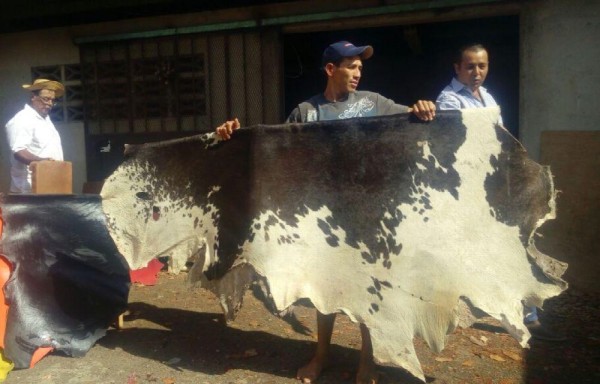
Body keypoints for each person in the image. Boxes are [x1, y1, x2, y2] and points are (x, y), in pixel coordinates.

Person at [217, 40, 436, 384]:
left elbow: (413, 117)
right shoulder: (307, 112)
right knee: (323, 290)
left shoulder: (374, 103)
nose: (358, 72)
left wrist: (422, 108)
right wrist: (235, 138)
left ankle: (367, 364)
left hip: (368, 215)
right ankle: (321, 356)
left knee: (368, 289)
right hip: (322, 220)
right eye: (351, 66)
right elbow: (278, 153)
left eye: (361, 67)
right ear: (331, 69)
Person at [436, 43, 565, 342]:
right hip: (468, 191)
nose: (477, 72)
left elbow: (501, 139)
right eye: (470, 66)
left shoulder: (488, 97)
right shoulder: (448, 100)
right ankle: (515, 313)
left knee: (509, 246)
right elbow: (454, 148)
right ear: (457, 68)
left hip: (496, 187)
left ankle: (524, 313)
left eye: (482, 66)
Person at [5, 78, 65, 193]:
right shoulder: (23, 119)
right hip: (30, 189)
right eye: (45, 99)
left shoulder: (46, 120)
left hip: (50, 184)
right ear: (33, 97)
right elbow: (19, 151)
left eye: (53, 100)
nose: (50, 104)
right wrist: (42, 163)